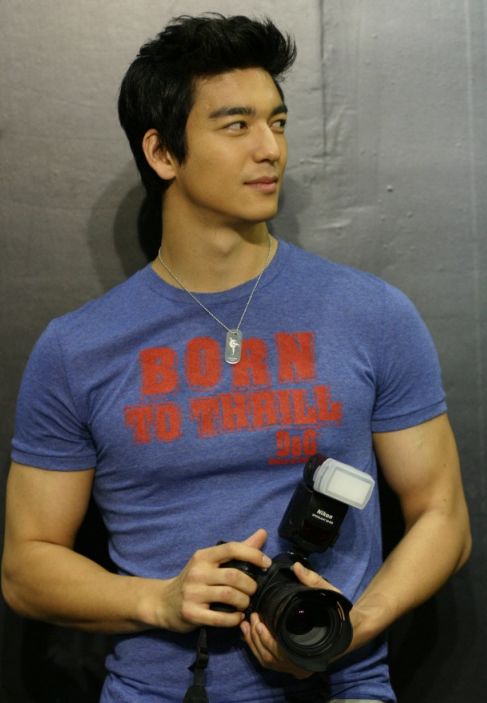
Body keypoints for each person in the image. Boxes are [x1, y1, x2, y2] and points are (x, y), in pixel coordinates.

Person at [1, 13, 471, 703]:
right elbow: (25, 567)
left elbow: (443, 514)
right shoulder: (78, 349)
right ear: (163, 153)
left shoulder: (370, 313)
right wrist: (159, 600)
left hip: (343, 686)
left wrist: (354, 626)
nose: (269, 148)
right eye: (236, 125)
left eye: (277, 122)